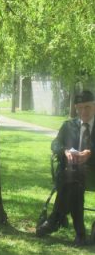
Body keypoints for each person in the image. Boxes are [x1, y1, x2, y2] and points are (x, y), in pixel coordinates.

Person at [36, 90, 95, 246]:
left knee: (74, 177)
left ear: (94, 106)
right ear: (76, 108)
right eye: (80, 108)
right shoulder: (69, 125)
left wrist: (90, 152)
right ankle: (80, 233)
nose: (84, 112)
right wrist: (65, 151)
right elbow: (54, 144)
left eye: (88, 107)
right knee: (74, 177)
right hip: (72, 173)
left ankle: (56, 218)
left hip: (93, 172)